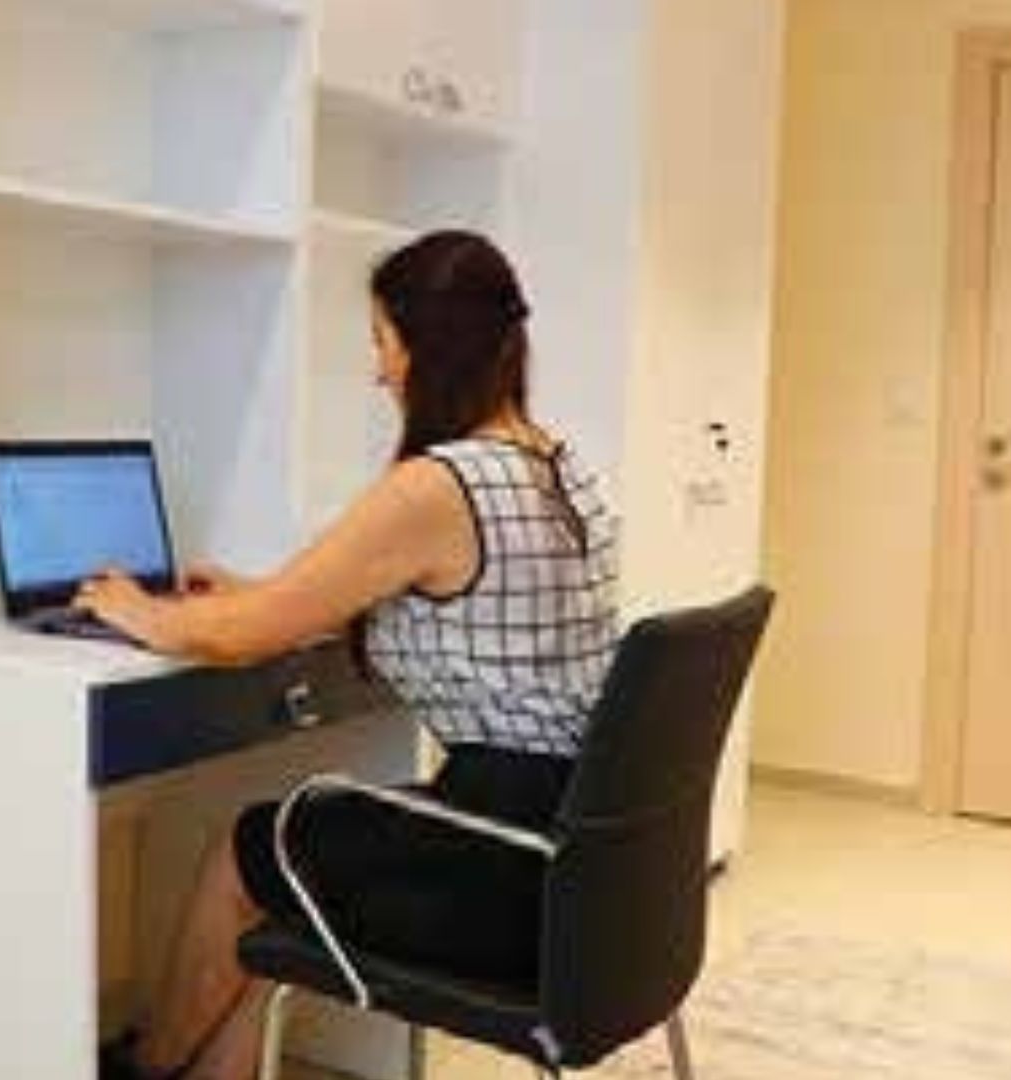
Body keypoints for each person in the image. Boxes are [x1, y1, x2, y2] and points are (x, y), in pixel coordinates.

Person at [76, 230, 620, 1080]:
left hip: (500, 867)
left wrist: (135, 610)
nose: (378, 371)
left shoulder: (439, 484)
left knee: (249, 855)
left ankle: (145, 1069)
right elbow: (416, 600)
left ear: (430, 347)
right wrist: (260, 594)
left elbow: (237, 638)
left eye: (383, 341)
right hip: (580, 858)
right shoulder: (555, 463)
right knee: (298, 877)